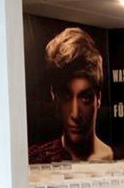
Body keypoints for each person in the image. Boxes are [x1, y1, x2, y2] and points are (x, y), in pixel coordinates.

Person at [28, 27, 113, 163]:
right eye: (66, 97)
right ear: (54, 96)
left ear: (98, 98)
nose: (75, 114)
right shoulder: (33, 159)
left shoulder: (120, 159)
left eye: (85, 98)